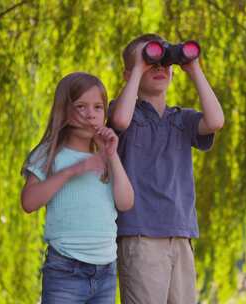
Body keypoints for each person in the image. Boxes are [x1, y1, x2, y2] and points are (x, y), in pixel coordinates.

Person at [108, 34, 224, 304]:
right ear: (129, 74)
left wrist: (193, 69)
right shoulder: (125, 113)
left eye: (164, 63)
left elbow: (216, 120)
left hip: (181, 234)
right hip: (141, 235)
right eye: (150, 63)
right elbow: (120, 120)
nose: (158, 68)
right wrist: (139, 66)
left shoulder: (181, 119)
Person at [21, 72, 134, 304]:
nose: (90, 114)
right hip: (65, 269)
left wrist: (111, 156)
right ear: (64, 110)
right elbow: (29, 202)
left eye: (98, 107)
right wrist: (73, 170)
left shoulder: (108, 157)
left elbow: (126, 202)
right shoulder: (49, 153)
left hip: (105, 271)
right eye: (81, 106)